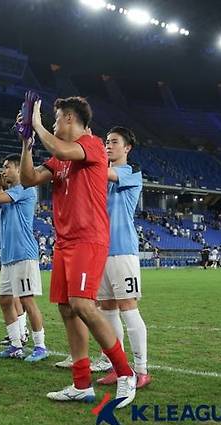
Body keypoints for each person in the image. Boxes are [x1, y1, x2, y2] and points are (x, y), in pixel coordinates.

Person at [19, 97, 136, 407]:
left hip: (88, 239)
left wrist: (37, 125)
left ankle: (125, 373)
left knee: (83, 305)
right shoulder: (60, 159)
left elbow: (60, 148)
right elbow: (28, 179)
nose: (55, 125)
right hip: (65, 242)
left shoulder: (93, 145)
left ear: (68, 118)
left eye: (56, 120)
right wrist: (27, 143)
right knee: (67, 309)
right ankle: (81, 384)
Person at [93, 126, 151, 389]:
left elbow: (102, 171)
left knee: (128, 308)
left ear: (127, 148)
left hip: (122, 250)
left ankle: (142, 370)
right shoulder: (102, 179)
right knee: (107, 310)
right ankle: (120, 367)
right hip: (100, 251)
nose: (108, 145)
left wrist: (88, 146)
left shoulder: (131, 173)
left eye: (114, 142)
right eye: (106, 141)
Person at [0, 152, 48, 362]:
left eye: (7, 166)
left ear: (19, 169)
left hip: (24, 256)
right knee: (5, 300)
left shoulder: (26, 189)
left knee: (27, 300)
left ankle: (40, 346)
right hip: (9, 258)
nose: (4, 170)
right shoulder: (12, 193)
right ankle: (15, 345)